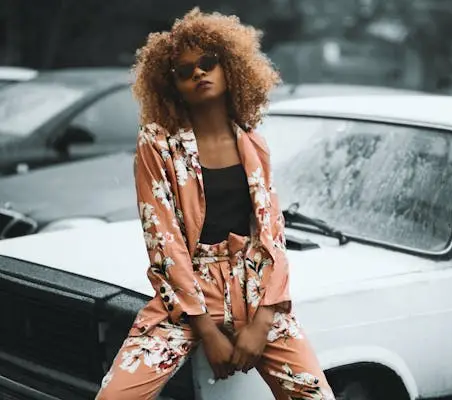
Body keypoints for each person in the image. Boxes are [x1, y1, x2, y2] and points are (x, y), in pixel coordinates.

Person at [95, 7, 335, 400]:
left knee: (316, 396)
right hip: (189, 296)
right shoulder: (158, 144)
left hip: (257, 293)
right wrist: (207, 331)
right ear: (172, 85)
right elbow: (163, 241)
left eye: (208, 63)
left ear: (230, 67)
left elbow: (272, 235)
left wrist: (263, 321)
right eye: (184, 70)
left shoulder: (253, 142)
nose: (198, 73)